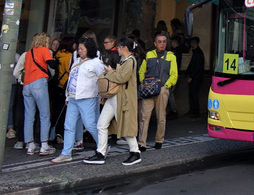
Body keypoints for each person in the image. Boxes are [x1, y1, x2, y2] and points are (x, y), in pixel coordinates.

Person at [84, 38, 141, 166]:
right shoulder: (125, 60)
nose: (117, 49)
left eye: (119, 47)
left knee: (125, 125)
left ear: (125, 48)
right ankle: (101, 152)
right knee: (102, 124)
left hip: (122, 98)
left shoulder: (130, 61)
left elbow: (121, 78)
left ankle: (135, 152)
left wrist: (110, 72)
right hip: (115, 97)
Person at [52, 37, 105, 163]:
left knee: (90, 124)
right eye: (79, 48)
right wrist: (67, 96)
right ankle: (66, 152)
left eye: (82, 48)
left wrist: (101, 95)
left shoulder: (96, 63)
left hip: (87, 97)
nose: (79, 51)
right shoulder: (76, 61)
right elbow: (71, 79)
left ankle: (102, 146)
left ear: (89, 49)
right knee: (68, 125)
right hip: (73, 97)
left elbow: (103, 79)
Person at [137, 32, 178, 151]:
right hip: (148, 89)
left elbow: (174, 75)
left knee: (161, 116)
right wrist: (144, 83)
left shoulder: (171, 56)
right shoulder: (149, 55)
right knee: (144, 116)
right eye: (159, 41)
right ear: (155, 43)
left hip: (162, 89)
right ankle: (142, 143)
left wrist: (166, 86)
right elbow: (141, 71)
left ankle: (159, 140)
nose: (162, 44)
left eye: (164, 41)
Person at [23, 32, 57, 156]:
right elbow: (51, 64)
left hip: (27, 84)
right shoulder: (44, 50)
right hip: (39, 83)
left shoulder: (28, 53)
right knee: (44, 115)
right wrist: (55, 60)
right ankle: (44, 145)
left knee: (29, 116)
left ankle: (30, 145)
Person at [184, 37, 205, 117]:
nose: (190, 44)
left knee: (193, 94)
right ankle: (193, 110)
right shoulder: (197, 52)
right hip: (197, 77)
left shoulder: (198, 53)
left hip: (196, 78)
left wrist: (191, 76)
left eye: (191, 43)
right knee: (193, 94)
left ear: (194, 43)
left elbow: (196, 66)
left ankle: (195, 111)